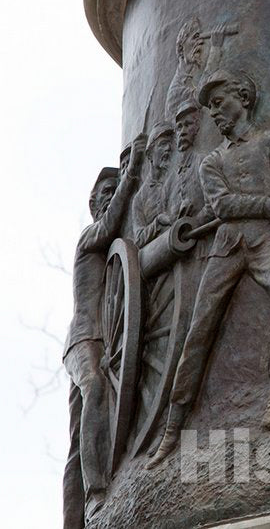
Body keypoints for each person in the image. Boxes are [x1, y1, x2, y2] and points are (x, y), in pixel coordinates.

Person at [148, 69, 270, 466]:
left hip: (265, 242)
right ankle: (172, 429)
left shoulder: (269, 141)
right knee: (200, 329)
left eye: (220, 103)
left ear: (243, 98)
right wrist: (265, 205)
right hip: (227, 247)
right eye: (210, 108)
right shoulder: (211, 162)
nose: (215, 113)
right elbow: (222, 206)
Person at [63, 135, 145, 527]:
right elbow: (112, 223)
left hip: (105, 341)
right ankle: (96, 493)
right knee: (95, 387)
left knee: (77, 441)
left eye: (115, 192)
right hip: (83, 340)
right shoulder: (89, 237)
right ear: (95, 204)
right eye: (106, 194)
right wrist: (130, 177)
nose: (112, 200)